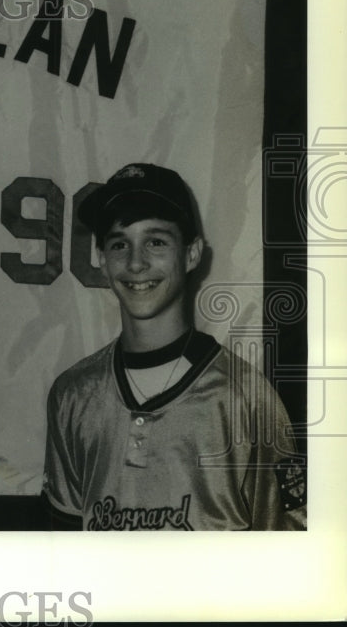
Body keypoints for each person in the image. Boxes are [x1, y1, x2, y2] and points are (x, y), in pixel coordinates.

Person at [42, 163, 306, 530]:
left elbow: (288, 555)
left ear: (192, 253)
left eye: (156, 241)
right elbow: (62, 550)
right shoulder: (73, 395)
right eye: (120, 243)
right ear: (102, 259)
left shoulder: (246, 400)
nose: (136, 262)